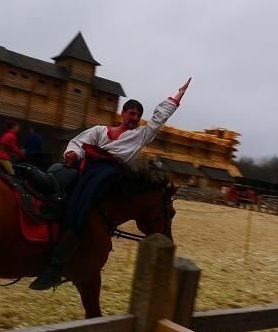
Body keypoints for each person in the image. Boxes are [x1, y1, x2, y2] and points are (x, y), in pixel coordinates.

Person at [29, 77, 192, 291]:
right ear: (123, 114)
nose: (135, 118)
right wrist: (73, 154)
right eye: (131, 113)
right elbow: (79, 143)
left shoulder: (140, 136)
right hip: (85, 167)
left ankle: (57, 264)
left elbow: (158, 119)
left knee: (82, 208)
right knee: (57, 179)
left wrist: (177, 96)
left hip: (106, 175)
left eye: (138, 115)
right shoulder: (99, 130)